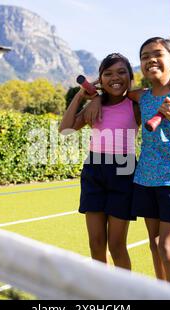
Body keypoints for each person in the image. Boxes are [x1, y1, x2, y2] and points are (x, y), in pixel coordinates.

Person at [83, 37, 170, 287]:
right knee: (154, 245)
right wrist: (96, 97)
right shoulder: (140, 96)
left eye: (157, 54)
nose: (150, 59)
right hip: (146, 179)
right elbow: (114, 91)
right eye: (144, 56)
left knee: (167, 247)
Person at [58, 53, 140, 270]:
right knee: (96, 244)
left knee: (116, 245)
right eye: (108, 73)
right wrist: (82, 97)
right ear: (100, 80)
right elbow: (65, 129)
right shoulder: (94, 105)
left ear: (131, 77)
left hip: (124, 170)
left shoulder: (135, 104)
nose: (115, 77)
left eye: (122, 72)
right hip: (94, 170)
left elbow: (156, 95)